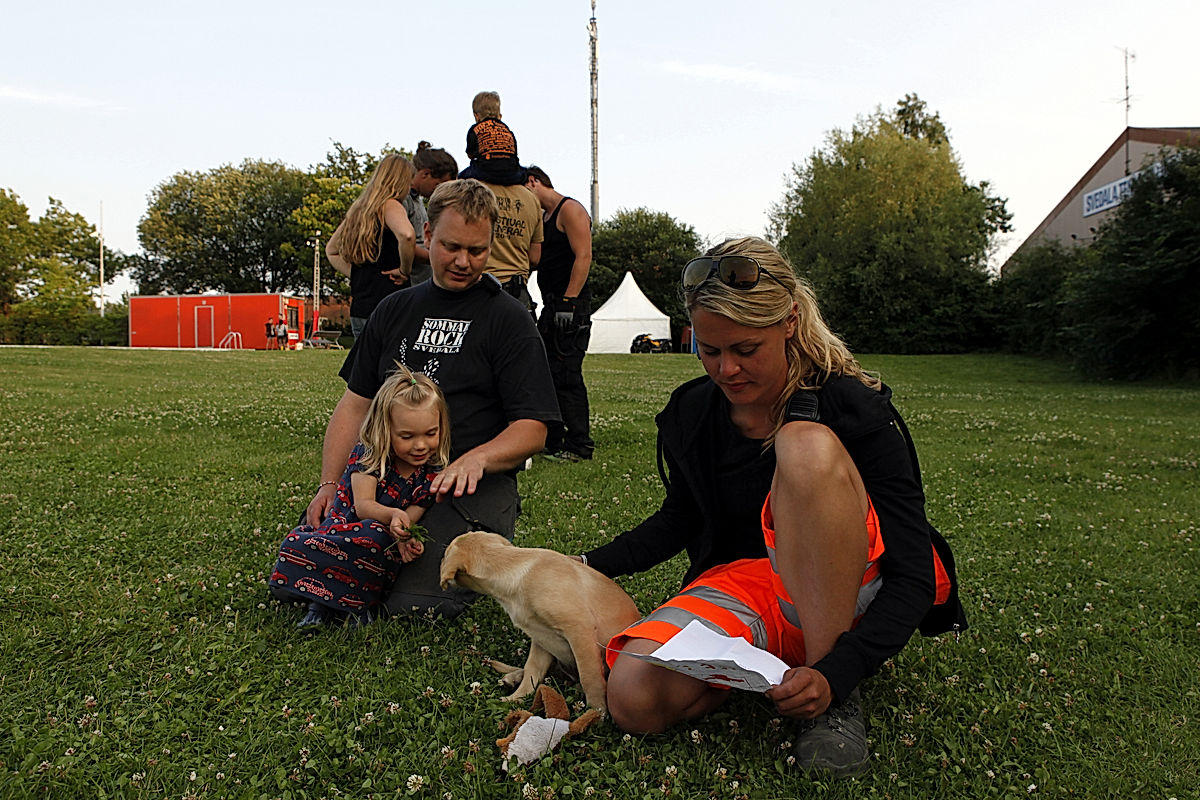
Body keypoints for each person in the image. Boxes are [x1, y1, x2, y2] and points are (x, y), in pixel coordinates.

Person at [584, 237, 966, 777]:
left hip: (853, 584)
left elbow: (912, 574)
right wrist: (586, 564)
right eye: (708, 350)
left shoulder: (852, 404)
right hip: (751, 586)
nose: (726, 370)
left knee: (803, 446)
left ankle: (829, 690)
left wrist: (840, 670)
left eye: (745, 350)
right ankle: (767, 673)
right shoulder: (693, 412)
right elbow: (682, 518)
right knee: (632, 697)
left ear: (788, 322)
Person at [306, 179, 561, 619]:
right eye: (451, 246)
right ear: (427, 237)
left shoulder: (510, 320)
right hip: (387, 477)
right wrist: (331, 484)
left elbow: (533, 428)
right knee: (325, 563)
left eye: (477, 251)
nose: (463, 261)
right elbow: (355, 403)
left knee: (417, 605)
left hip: (463, 485)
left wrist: (476, 459)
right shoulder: (394, 309)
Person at [270, 365, 450, 627]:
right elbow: (364, 506)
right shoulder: (370, 456)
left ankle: (358, 607)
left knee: (383, 545)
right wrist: (393, 516)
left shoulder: (431, 471)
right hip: (348, 527)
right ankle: (319, 607)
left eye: (430, 433)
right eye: (407, 436)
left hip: (381, 538)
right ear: (385, 429)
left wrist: (405, 536)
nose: (421, 445)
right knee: (364, 539)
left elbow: (413, 513)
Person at [525, 165, 595, 461]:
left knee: (567, 374)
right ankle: (554, 439)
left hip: (570, 305)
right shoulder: (544, 218)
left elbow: (584, 255)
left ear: (533, 182)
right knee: (548, 372)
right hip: (551, 303)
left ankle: (580, 444)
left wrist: (570, 301)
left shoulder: (570, 209)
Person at [325, 154, 418, 340]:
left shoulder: (358, 210)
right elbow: (407, 235)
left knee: (364, 366)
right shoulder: (390, 205)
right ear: (400, 181)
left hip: (360, 305)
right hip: (391, 303)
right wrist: (404, 270)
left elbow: (332, 250)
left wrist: (360, 275)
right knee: (393, 366)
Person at [408, 142, 460, 286]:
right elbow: (403, 242)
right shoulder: (404, 199)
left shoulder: (418, 201)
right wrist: (437, 257)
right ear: (425, 174)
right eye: (439, 185)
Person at [458, 91, 525, 186]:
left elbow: (470, 155)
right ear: (500, 116)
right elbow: (514, 153)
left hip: (486, 172)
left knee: (462, 176)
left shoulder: (476, 129)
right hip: (511, 173)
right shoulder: (507, 130)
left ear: (476, 116)